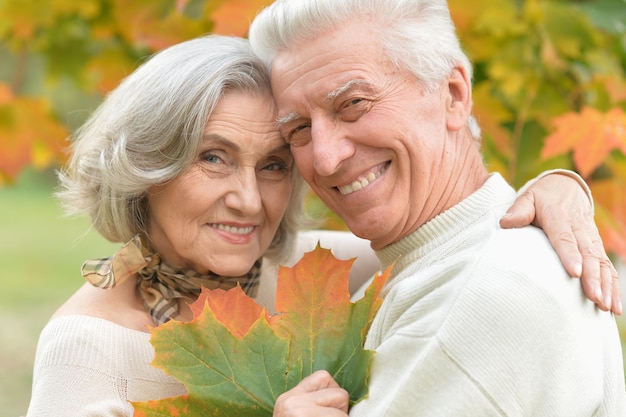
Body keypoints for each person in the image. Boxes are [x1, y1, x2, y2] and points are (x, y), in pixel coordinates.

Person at [25, 32, 616, 417]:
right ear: (147, 166)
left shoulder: (294, 273)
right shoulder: (86, 348)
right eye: (213, 157)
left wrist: (557, 188)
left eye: (275, 165)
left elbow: (445, 236)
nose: (250, 201)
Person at [248, 0, 626, 415]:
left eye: (353, 103)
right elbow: (246, 256)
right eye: (299, 129)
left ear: (453, 94)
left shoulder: (472, 301)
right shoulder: (428, 263)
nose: (324, 158)